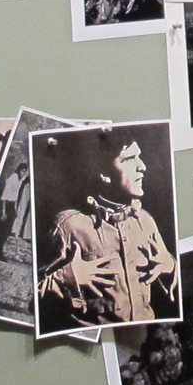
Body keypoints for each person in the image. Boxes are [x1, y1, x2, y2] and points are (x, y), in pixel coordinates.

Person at [35, 134, 175, 334]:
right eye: (129, 159)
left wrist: (169, 265)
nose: (142, 166)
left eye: (139, 157)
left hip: (140, 340)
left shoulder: (145, 221)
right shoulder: (69, 226)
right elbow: (35, 296)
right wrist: (66, 277)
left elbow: (168, 281)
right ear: (103, 173)